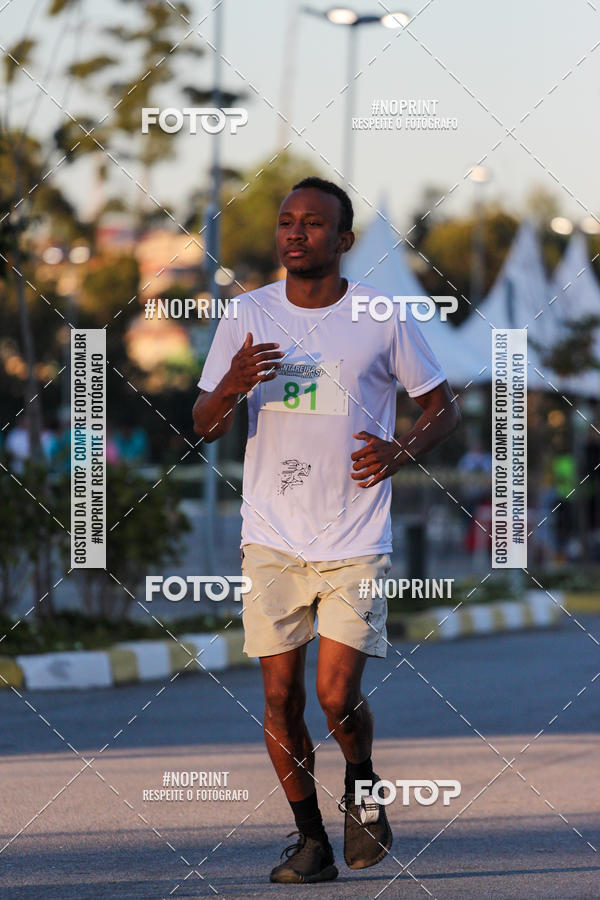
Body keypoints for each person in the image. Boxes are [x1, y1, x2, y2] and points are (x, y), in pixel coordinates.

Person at [192, 177, 461, 884]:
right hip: (272, 536)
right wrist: (232, 386)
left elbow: (442, 407)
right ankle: (310, 841)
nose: (295, 233)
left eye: (313, 224)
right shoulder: (247, 314)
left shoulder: (382, 315)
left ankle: (363, 784)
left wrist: (401, 451)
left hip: (355, 537)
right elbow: (203, 424)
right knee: (279, 698)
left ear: (342, 241)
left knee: (336, 695)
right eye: (287, 222)